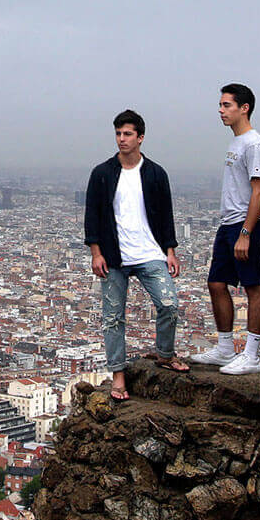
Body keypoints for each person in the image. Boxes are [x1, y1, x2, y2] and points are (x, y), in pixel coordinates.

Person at [84, 109, 188, 401]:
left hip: (148, 251)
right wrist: (96, 252)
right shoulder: (102, 173)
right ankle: (118, 374)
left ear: (140, 138)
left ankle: (164, 354)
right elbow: (92, 214)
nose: (122, 139)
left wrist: (170, 251)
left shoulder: (155, 173)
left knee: (169, 304)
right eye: (118, 134)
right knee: (113, 317)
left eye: (128, 134)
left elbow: (165, 214)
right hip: (114, 255)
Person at [192, 84, 260, 375]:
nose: (221, 110)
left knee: (253, 285)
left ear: (244, 108)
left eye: (227, 105)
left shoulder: (253, 144)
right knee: (216, 283)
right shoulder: (236, 143)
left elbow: (259, 192)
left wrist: (246, 233)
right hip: (230, 222)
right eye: (221, 105)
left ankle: (251, 354)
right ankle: (225, 348)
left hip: (245, 223)